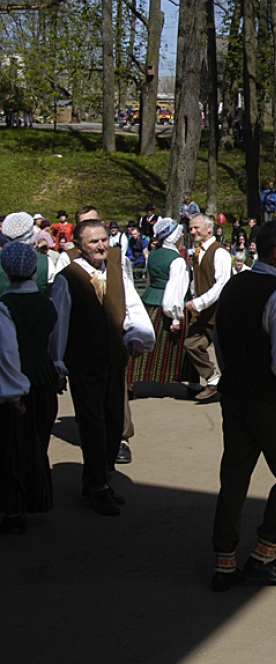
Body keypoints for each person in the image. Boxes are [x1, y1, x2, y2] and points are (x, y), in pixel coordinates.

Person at [210, 221, 276, 592]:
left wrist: (232, 375)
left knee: (235, 474)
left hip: (235, 393)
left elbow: (219, 341)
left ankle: (224, 561)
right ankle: (264, 552)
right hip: (268, 398)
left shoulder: (233, 286)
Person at [51, 220, 155, 515]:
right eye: (93, 242)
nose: (100, 246)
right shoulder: (67, 278)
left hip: (113, 360)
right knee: (93, 425)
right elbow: (60, 324)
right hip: (84, 363)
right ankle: (97, 487)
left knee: (113, 423)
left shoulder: (115, 271)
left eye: (103, 240)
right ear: (79, 246)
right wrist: (58, 365)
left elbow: (131, 307)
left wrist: (136, 336)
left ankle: (99, 479)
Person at [0, 242, 60, 533]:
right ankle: (36, 497)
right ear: (34, 269)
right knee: (39, 443)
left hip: (19, 386)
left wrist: (12, 394)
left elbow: (8, 353)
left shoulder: (5, 307)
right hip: (44, 380)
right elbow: (53, 344)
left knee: (14, 449)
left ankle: (14, 509)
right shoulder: (46, 304)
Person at [126, 218, 196, 389]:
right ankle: (193, 386)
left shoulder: (154, 254)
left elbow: (151, 281)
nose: (181, 237)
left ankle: (129, 384)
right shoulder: (177, 260)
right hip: (169, 305)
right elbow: (175, 291)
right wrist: (176, 319)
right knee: (178, 349)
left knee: (145, 342)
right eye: (179, 234)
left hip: (150, 301)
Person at [184, 214, 231, 401]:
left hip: (219, 312)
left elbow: (221, 285)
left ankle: (235, 389)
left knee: (226, 354)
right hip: (203, 312)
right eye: (190, 228)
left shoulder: (219, 253)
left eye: (196, 227)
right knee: (191, 344)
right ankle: (213, 379)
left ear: (209, 229)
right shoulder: (198, 252)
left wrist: (200, 302)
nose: (192, 231)